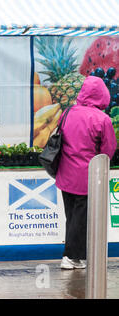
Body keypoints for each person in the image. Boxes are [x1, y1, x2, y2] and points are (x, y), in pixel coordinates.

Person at [56, 75, 117, 270]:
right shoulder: (102, 119)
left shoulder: (67, 112)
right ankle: (70, 256)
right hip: (87, 178)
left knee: (72, 217)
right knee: (81, 219)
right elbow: (108, 150)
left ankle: (77, 256)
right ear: (102, 95)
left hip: (65, 174)